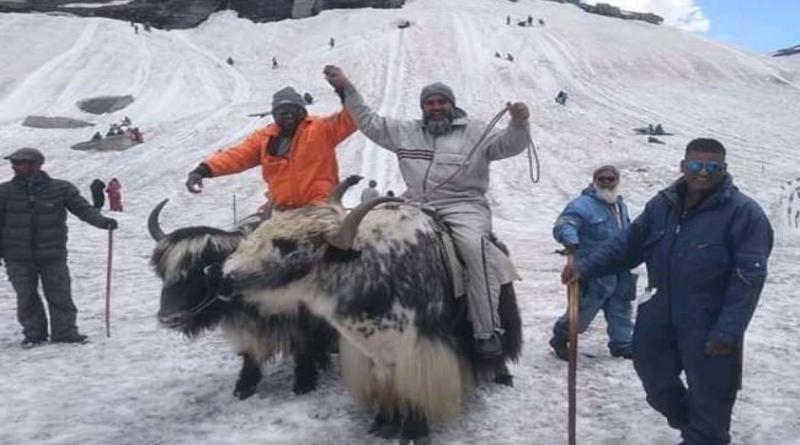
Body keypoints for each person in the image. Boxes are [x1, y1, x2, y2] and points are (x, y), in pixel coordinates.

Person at [561, 138, 773, 445]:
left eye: (712, 167)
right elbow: (627, 246)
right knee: (655, 381)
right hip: (659, 314)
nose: (703, 173)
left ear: (724, 169)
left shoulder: (745, 214)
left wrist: (728, 332)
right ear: (683, 166)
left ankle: (705, 435)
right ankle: (697, 430)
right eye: (696, 165)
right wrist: (585, 267)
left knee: (710, 394)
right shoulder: (663, 205)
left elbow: (748, 280)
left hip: (709, 321)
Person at [324, 64, 531, 358]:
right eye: (430, 103)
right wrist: (345, 87)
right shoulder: (406, 132)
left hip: (463, 205)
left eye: (441, 102)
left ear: (452, 104)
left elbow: (509, 146)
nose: (436, 107)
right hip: (416, 203)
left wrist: (519, 124)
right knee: (369, 242)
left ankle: (487, 331)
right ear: (423, 107)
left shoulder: (477, 131)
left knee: (475, 250)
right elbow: (368, 121)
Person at [0, 148, 117, 348]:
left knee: (60, 294)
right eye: (14, 162)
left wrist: (102, 222)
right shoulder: (3, 192)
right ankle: (34, 334)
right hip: (17, 256)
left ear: (37, 164)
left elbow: (83, 209)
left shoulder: (62, 189)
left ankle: (65, 332)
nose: (14, 166)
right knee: (26, 296)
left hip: (52, 254)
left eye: (20, 162)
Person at [185, 86, 357, 209]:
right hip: (281, 211)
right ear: (274, 115)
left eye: (294, 110)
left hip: (321, 208)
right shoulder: (264, 138)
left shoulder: (322, 128)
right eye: (283, 112)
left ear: (303, 113)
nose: (288, 115)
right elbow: (237, 156)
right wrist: (202, 170)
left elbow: (352, 118)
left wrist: (344, 91)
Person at [549, 165, 635, 360]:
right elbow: (565, 224)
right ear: (595, 181)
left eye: (610, 179)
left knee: (620, 308)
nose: (606, 182)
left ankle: (622, 343)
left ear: (617, 181)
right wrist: (571, 241)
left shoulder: (619, 205)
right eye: (602, 179)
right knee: (583, 309)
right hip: (593, 268)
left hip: (620, 267)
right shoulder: (582, 205)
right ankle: (561, 336)